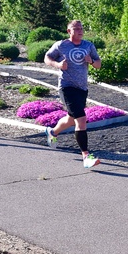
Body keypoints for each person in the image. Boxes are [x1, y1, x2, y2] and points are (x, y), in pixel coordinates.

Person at [43, 19, 102, 168]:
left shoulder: (88, 46)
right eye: (76, 29)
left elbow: (98, 65)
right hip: (66, 87)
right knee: (81, 119)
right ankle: (86, 157)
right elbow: (47, 58)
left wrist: (91, 61)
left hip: (82, 88)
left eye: (81, 28)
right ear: (69, 31)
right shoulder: (61, 45)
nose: (80, 31)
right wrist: (58, 65)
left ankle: (53, 132)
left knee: (71, 118)